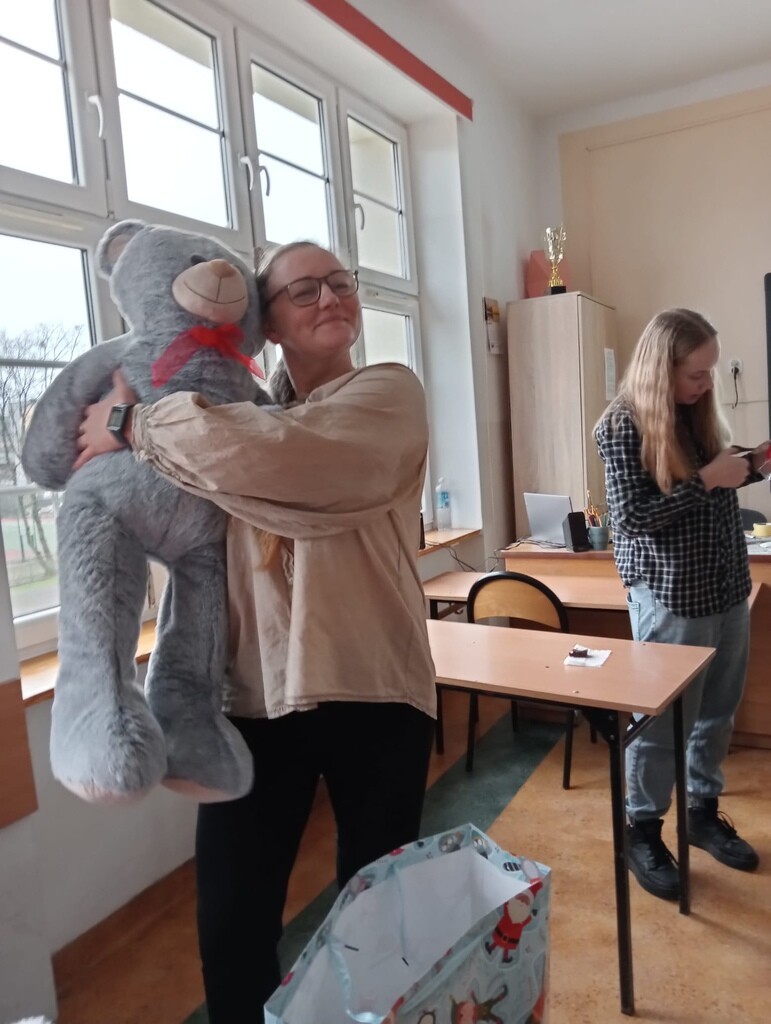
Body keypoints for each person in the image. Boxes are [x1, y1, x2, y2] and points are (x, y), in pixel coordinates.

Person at [75, 240, 437, 1020]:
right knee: (231, 920)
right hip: (251, 692)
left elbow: (300, 466)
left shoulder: (389, 391)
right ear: (265, 324)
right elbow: (229, 476)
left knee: (379, 916)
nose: (329, 297)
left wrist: (140, 425)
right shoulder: (233, 417)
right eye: (303, 290)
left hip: (373, 681)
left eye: (339, 282)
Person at [595, 307, 762, 902]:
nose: (707, 383)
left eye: (711, 371)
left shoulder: (695, 413)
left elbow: (709, 487)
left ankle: (701, 812)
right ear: (661, 368)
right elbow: (632, 519)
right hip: (672, 596)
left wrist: (746, 467)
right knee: (663, 723)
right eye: (697, 374)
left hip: (727, 587)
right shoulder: (619, 425)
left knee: (718, 711)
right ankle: (641, 831)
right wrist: (709, 479)